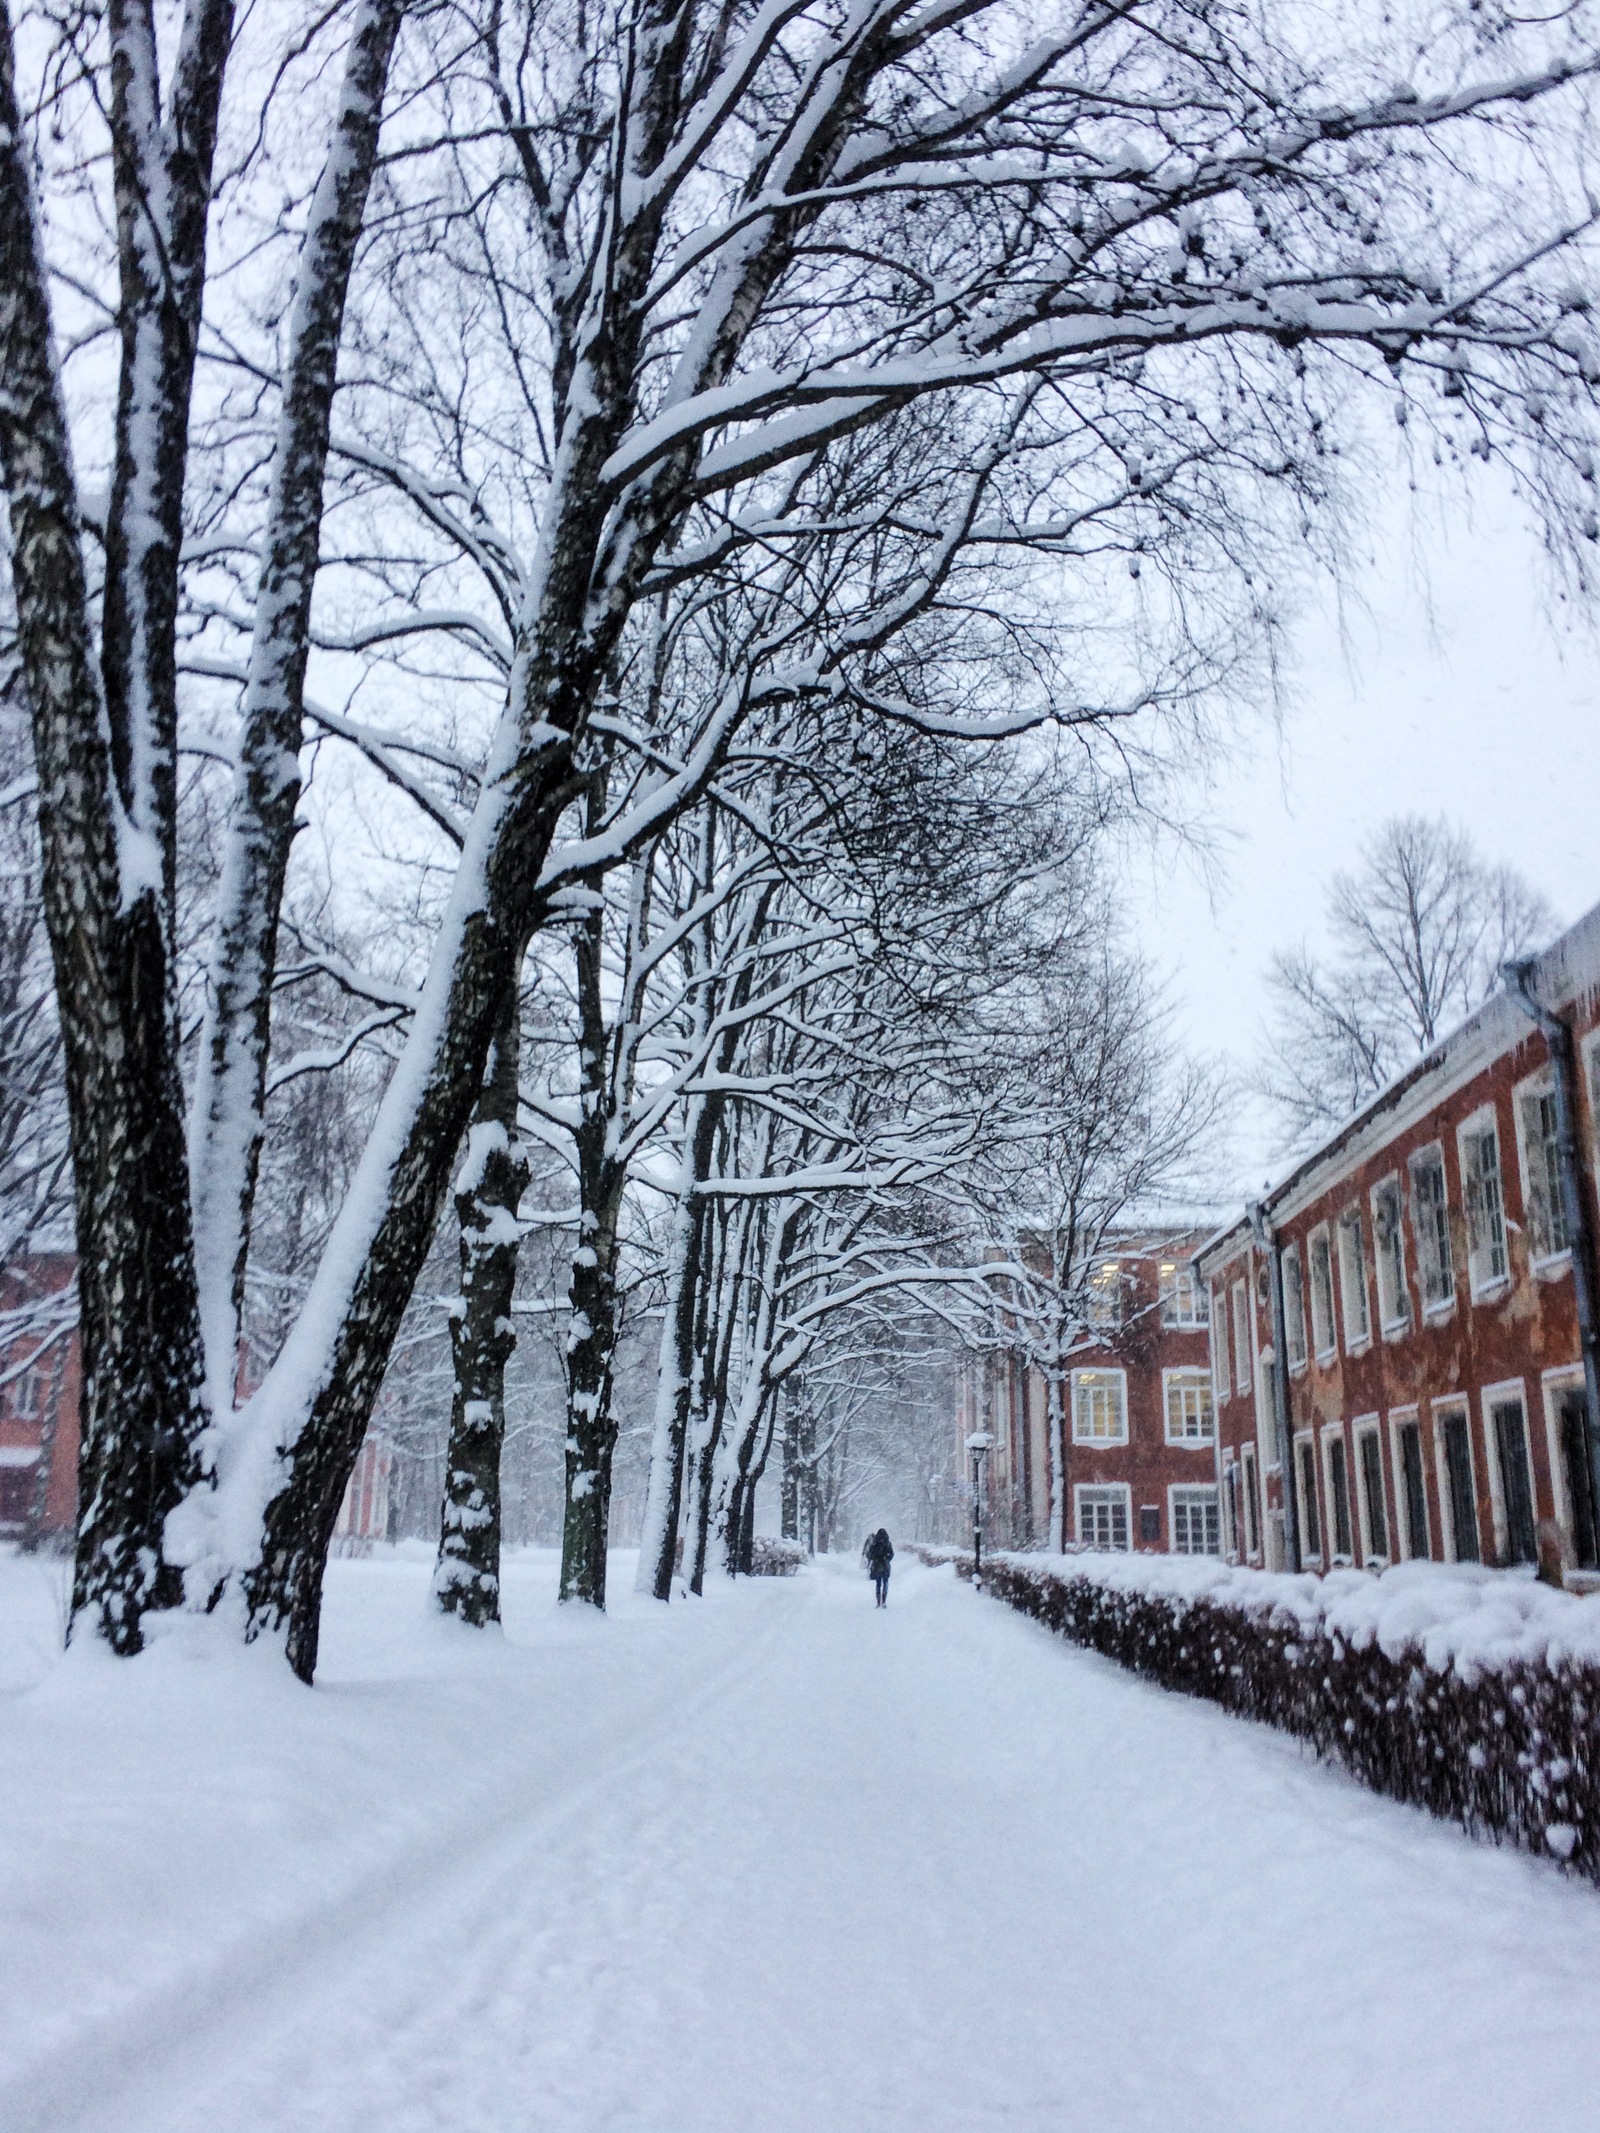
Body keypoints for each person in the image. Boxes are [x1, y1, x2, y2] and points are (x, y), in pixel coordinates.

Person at [863, 1527, 894, 1607]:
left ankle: (878, 1602)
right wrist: (886, 1559)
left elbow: (870, 1554)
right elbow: (891, 1554)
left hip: (877, 1566)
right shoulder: (888, 1543)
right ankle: (884, 1601)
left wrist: (876, 1558)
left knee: (878, 1584)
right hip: (885, 1566)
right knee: (885, 1583)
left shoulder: (875, 1543)